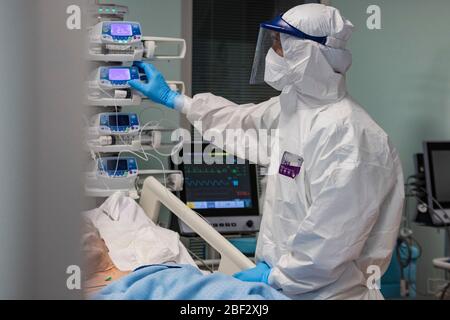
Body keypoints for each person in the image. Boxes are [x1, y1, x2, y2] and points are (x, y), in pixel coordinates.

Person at [129, 3, 405, 300]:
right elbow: (240, 123)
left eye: (280, 44)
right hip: (285, 289)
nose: (272, 53)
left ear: (309, 52)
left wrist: (275, 275)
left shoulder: (353, 137)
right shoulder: (291, 110)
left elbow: (330, 240)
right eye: (272, 43)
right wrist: (175, 99)